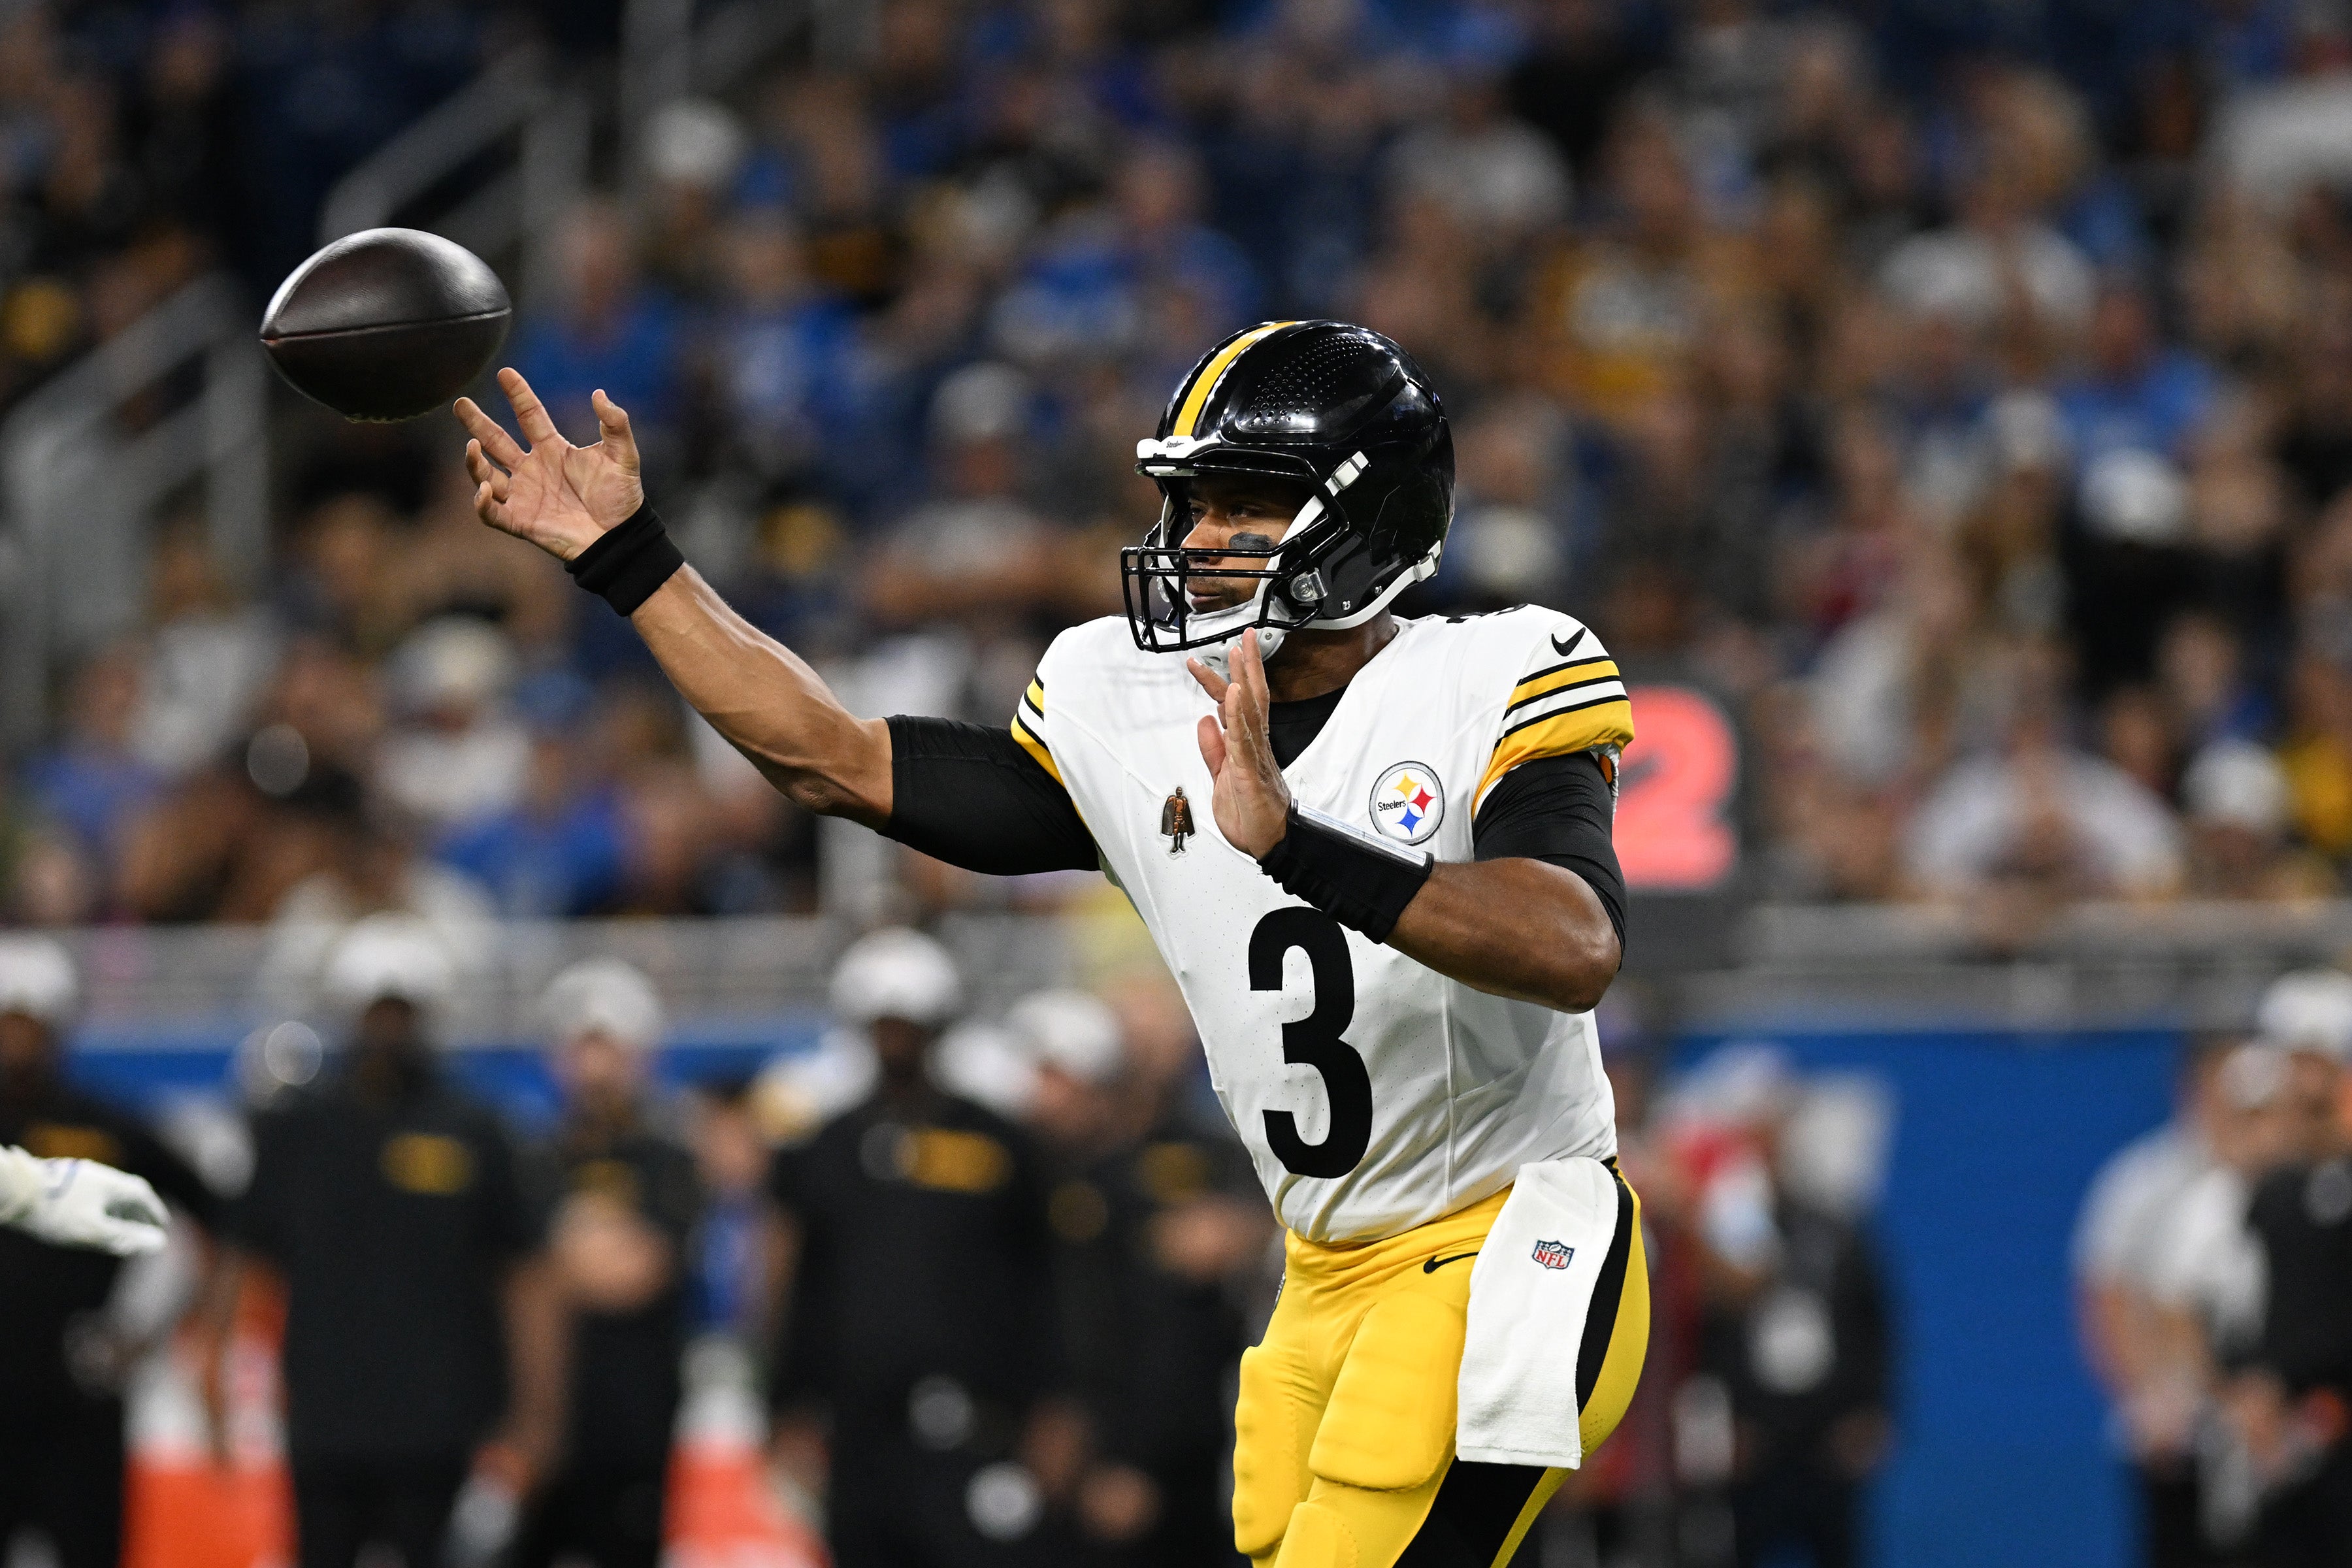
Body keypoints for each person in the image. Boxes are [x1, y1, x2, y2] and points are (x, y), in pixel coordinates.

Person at [456, 316, 1645, 1567]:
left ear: (1370, 520)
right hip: (1327, 1271)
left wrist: (1297, 844)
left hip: (1515, 1231)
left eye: (1242, 505)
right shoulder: (1119, 701)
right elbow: (835, 758)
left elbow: (1575, 943)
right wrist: (630, 559)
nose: (1194, 542)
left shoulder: (1500, 671)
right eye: (1188, 507)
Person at [206, 917, 566, 1568]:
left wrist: (538, 1414)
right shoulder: (296, 1130)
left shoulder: (476, 1129)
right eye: (377, 1010)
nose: (388, 1027)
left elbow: (527, 1276)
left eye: (403, 1011)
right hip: (325, 1420)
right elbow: (241, 1256)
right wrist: (213, 1379)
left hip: (445, 1425)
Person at [765, 928, 1064, 1568]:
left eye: (909, 1021)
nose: (895, 1036)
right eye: (883, 1022)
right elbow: (798, 1284)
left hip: (977, 1429)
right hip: (858, 1437)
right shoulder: (825, 1148)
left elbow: (1045, 1282)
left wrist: (1057, 1409)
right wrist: (784, 1406)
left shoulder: (1000, 1144)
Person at [0, 936, 219, 1568]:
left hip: (80, 1394)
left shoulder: (110, 1127)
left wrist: (147, 1333)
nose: (19, 1041)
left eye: (32, 1023)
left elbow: (221, 1221)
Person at [517, 958, 703, 1568]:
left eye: (610, 1049)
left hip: (635, 1418)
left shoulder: (669, 1159)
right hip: (542, 1419)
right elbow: (523, 1273)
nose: (595, 1069)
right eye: (581, 1049)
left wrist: (563, 1255)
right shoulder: (532, 1160)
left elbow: (637, 1272)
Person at [2074, 1037, 2231, 1568]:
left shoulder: (2269, 1175)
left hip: (2251, 1426)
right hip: (2174, 1428)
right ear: (2189, 1086)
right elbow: (2106, 1297)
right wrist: (2149, 1399)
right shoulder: (2142, 1181)